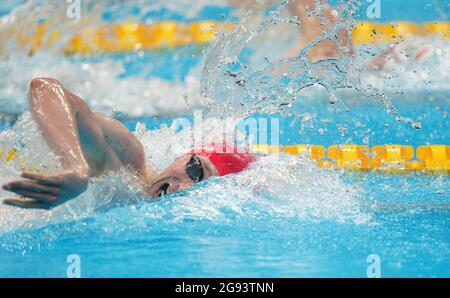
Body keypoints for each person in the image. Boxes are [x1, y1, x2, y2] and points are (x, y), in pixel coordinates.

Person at [1, 78, 255, 210]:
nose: (184, 189)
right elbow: (44, 87)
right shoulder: (126, 162)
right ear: (184, 157)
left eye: (203, 193)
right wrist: (75, 166)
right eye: (196, 171)